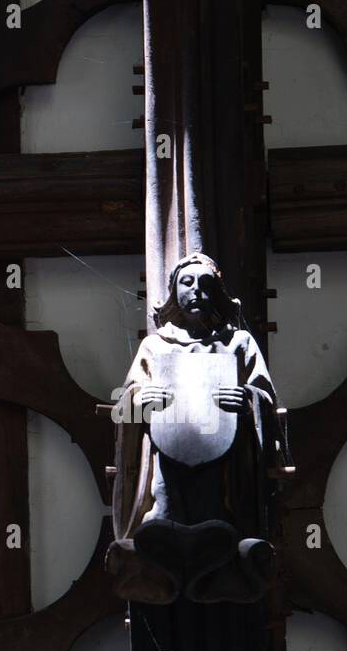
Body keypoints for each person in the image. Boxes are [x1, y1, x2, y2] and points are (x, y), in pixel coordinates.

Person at [107, 253, 288, 604]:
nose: (197, 291)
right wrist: (143, 398)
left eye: (206, 284)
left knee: (216, 495)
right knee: (167, 488)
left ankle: (216, 535)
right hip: (166, 457)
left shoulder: (238, 343)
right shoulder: (154, 346)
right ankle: (165, 528)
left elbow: (265, 395)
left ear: (217, 293)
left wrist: (247, 398)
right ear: (175, 292)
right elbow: (123, 407)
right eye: (187, 283)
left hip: (225, 460)